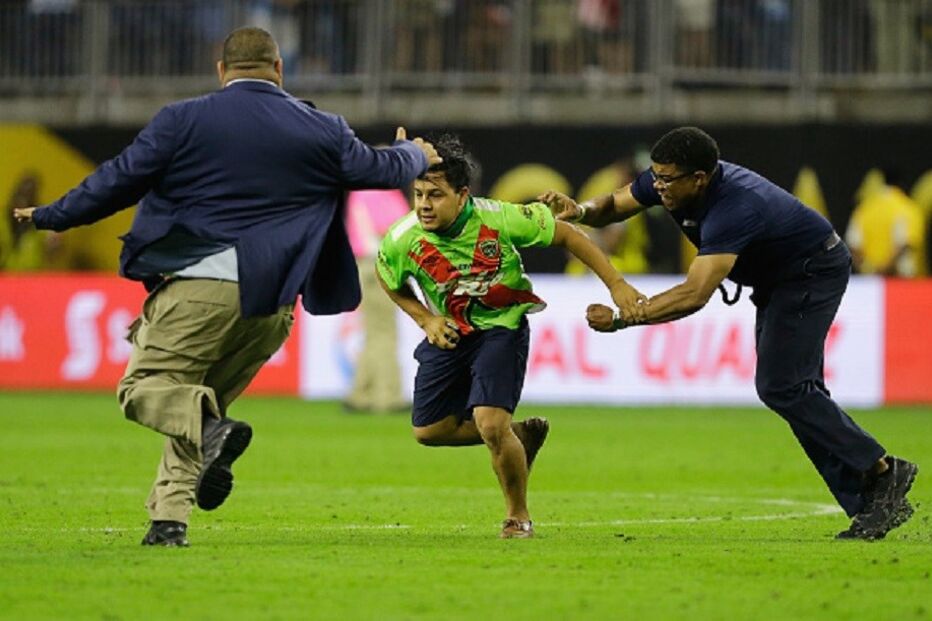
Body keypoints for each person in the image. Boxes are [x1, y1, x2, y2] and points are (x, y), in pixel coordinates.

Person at [13, 26, 440, 547]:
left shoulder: (184, 119)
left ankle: (211, 433)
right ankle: (169, 522)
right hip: (274, 307)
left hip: (201, 284)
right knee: (200, 404)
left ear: (221, 70)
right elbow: (375, 167)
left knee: (145, 391)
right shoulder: (321, 127)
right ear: (279, 70)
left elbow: (119, 179)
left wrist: (52, 216)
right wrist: (413, 154)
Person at [540, 126, 918, 541]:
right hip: (779, 278)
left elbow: (694, 294)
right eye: (656, 176)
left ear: (699, 179)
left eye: (667, 179)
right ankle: (872, 499)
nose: (658, 187)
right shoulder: (673, 180)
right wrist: (578, 211)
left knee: (784, 387)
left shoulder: (735, 207)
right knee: (792, 389)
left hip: (812, 271)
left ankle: (882, 470)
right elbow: (615, 203)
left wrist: (626, 317)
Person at [376, 134, 645, 539]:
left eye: (435, 195)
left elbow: (570, 235)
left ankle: (518, 516)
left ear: (463, 195)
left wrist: (617, 285)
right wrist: (424, 319)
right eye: (418, 195)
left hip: (501, 327)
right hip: (450, 330)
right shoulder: (402, 238)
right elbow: (387, 277)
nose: (425, 205)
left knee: (488, 422)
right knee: (429, 432)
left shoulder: (499, 218)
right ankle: (517, 436)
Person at [343, 188, 411, 414]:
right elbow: (398, 229)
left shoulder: (358, 193)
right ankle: (387, 397)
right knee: (385, 332)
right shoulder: (387, 194)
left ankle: (360, 394)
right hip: (381, 264)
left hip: (361, 265)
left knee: (373, 332)